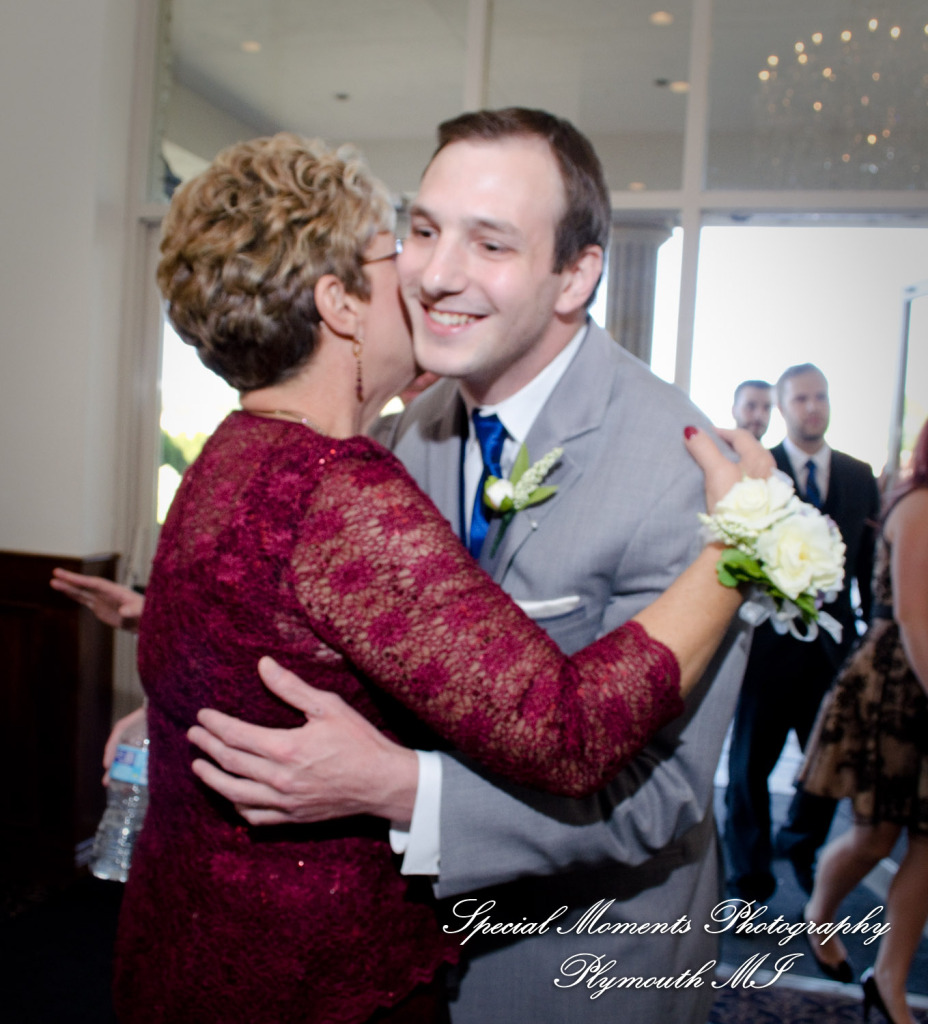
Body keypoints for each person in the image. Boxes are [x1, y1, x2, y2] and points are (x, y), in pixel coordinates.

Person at [87, 130, 766, 1024]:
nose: (436, 274)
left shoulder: (686, 470)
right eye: (418, 232)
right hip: (339, 964)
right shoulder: (389, 441)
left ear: (574, 276)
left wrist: (402, 790)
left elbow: (663, 790)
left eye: (489, 243)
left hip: (568, 967)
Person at [724, 363, 881, 905]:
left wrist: (868, 638)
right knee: (747, 773)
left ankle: (801, 844)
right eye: (800, 400)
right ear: (782, 408)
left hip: (832, 654)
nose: (812, 407)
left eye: (820, 397)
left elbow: (867, 567)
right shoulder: (759, 473)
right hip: (765, 652)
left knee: (825, 771)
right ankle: (748, 883)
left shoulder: (860, 476)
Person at [800, 417, 928, 1023]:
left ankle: (889, 980)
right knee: (876, 833)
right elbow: (915, 620)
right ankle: (820, 913)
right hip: (900, 685)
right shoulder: (920, 505)